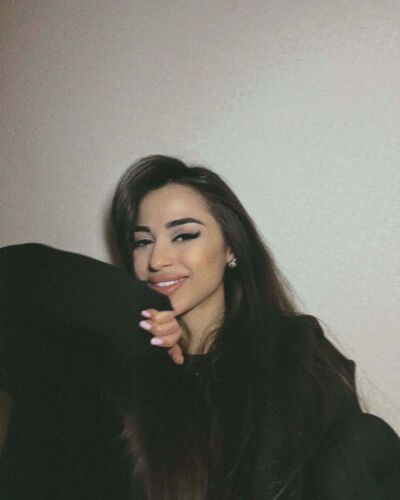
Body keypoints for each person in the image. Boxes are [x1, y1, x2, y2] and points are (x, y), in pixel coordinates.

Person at [0, 155, 399, 499]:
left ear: (231, 248)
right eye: (142, 241)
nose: (157, 259)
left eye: (184, 235)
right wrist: (135, 312)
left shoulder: (293, 354)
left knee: (364, 441)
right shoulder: (105, 363)